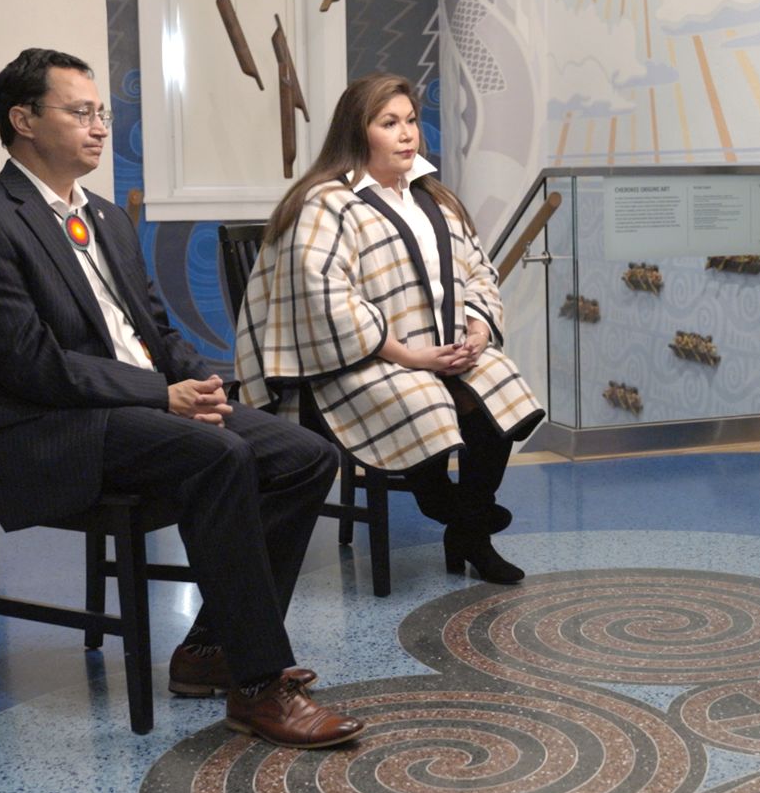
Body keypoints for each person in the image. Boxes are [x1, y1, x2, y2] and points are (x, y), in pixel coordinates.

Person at [0, 48, 363, 748]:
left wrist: (200, 383)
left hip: (137, 410)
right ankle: (258, 685)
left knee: (306, 455)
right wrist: (161, 396)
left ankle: (207, 648)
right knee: (218, 455)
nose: (100, 126)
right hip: (52, 428)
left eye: (101, 112)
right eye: (79, 112)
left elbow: (155, 328)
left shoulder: (104, 216)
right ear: (23, 120)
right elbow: (29, 364)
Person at [233, 73, 544, 584]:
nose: (406, 134)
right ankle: (452, 512)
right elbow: (322, 293)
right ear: (358, 133)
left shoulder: (435, 199)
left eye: (411, 121)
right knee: (422, 397)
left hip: (440, 348)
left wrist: (477, 327)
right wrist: (405, 353)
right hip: (358, 360)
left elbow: (478, 270)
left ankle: (469, 524)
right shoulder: (325, 202)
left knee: (499, 381)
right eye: (389, 123)